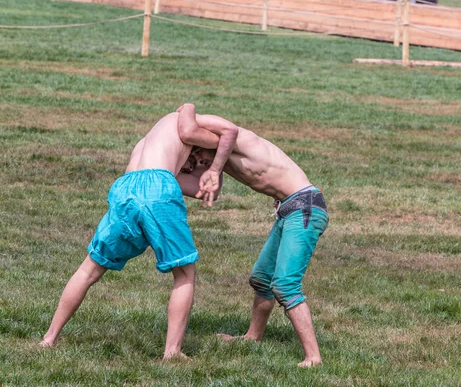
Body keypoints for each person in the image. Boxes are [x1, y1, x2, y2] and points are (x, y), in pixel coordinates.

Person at [40, 108, 239, 361]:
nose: (197, 164)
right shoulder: (188, 125)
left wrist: (208, 175)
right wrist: (215, 167)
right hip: (157, 186)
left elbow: (201, 191)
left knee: (89, 268)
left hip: (124, 188)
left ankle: (49, 338)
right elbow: (226, 135)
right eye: (200, 159)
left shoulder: (153, 140)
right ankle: (172, 352)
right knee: (185, 272)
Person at [177, 103, 329, 367]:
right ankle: (253, 337)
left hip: (305, 207)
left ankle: (313, 357)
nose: (198, 164)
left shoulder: (222, 135)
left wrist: (185, 113)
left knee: (285, 285)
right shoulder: (218, 154)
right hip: (289, 209)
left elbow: (223, 128)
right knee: (261, 279)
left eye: (195, 158)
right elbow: (209, 185)